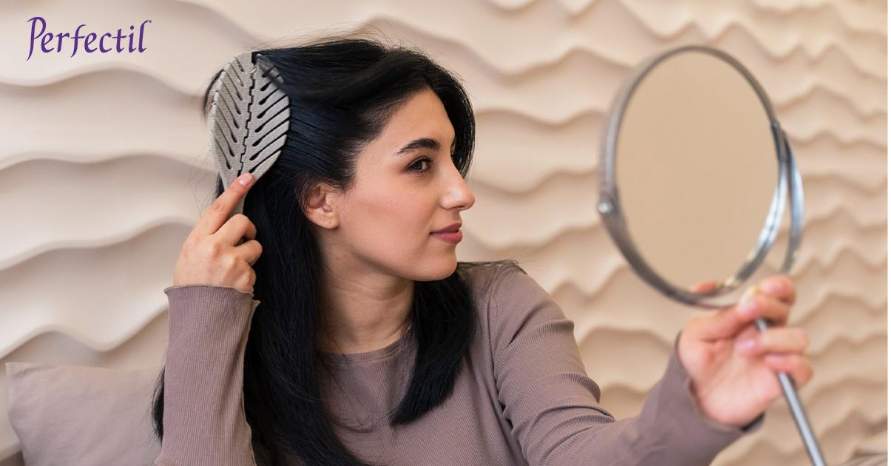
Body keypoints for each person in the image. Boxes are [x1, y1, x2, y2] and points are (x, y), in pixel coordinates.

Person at [151, 34, 813, 466]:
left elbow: (577, 452)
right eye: (419, 165)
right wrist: (206, 314)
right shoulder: (230, 357)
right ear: (321, 199)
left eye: (452, 159)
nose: (461, 193)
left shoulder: (500, 306)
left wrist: (694, 409)